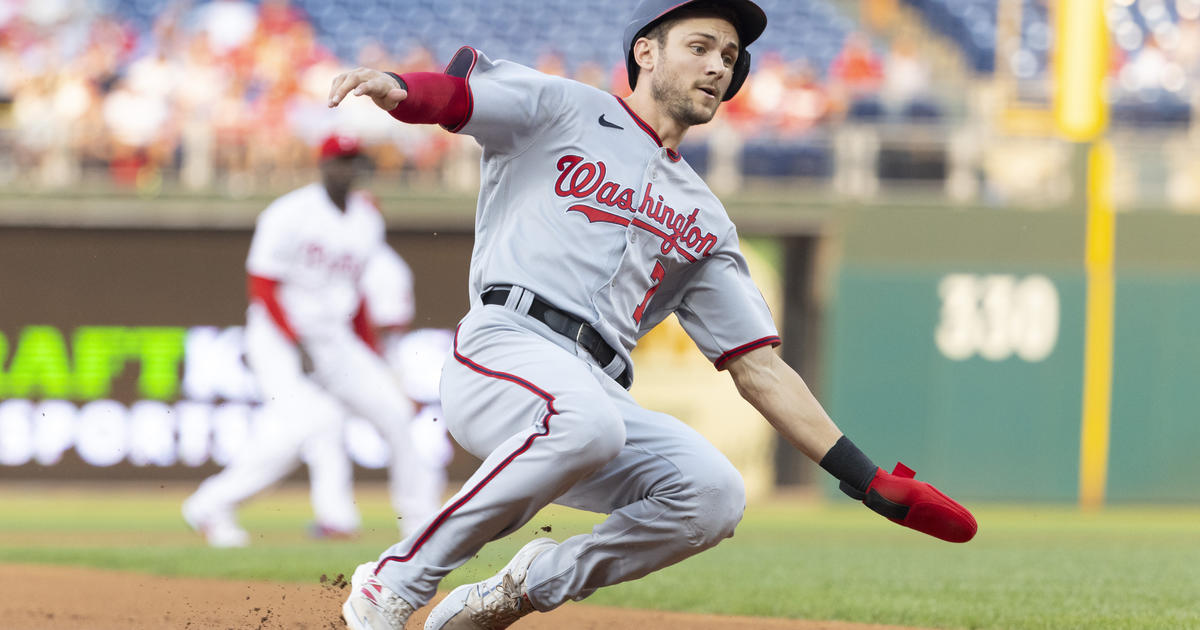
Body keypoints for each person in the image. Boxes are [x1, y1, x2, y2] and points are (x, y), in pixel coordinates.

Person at [327, 1, 977, 628]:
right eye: (699, 47)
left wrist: (866, 481)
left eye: (730, 55)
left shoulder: (705, 218)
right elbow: (459, 97)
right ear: (647, 51)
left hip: (597, 391)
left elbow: (760, 370)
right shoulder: (565, 107)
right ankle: (396, 579)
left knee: (712, 495)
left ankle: (520, 587)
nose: (719, 66)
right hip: (505, 347)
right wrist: (397, 87)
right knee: (587, 422)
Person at [182, 134, 417, 547]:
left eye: (354, 161)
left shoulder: (367, 220)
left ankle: (420, 524)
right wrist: (295, 342)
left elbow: (357, 295)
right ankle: (213, 504)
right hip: (278, 336)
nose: (347, 169)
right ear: (322, 165)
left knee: (396, 413)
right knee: (311, 424)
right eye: (340, 161)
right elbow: (263, 284)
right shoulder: (291, 212)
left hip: (334, 337)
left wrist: (372, 354)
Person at [305, 247, 453, 540]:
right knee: (323, 433)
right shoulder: (326, 255)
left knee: (402, 430)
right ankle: (336, 519)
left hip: (374, 360)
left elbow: (393, 322)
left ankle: (421, 517)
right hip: (334, 362)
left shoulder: (385, 265)